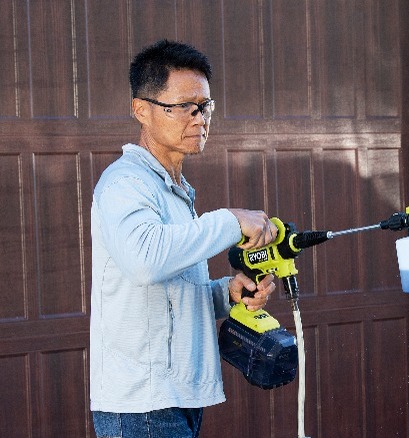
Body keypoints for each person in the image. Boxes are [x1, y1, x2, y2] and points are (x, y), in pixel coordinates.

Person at [89, 39, 277, 437]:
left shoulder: (174, 190)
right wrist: (230, 221)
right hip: (142, 406)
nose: (199, 118)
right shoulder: (125, 184)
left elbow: (167, 293)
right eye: (183, 107)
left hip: (176, 399)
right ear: (142, 110)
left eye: (205, 106)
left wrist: (226, 293)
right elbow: (145, 261)